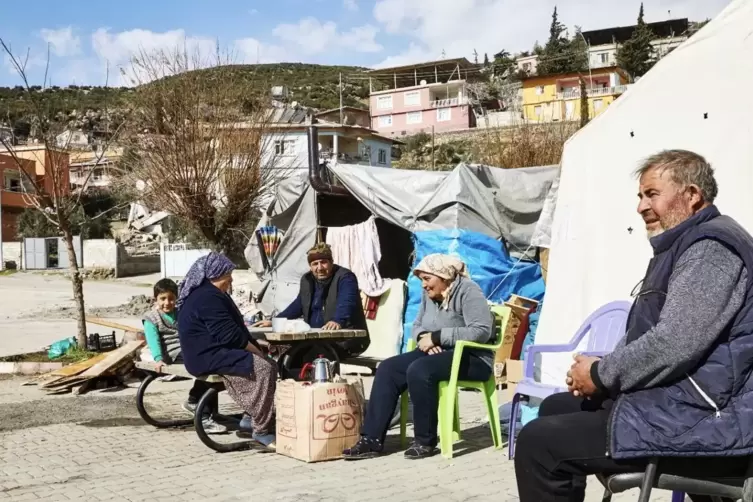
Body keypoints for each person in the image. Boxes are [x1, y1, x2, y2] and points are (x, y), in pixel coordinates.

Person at [514, 150, 753, 502]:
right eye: (640, 196)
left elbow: (674, 343)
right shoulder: (682, 244)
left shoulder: (710, 249)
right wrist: (596, 370)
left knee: (540, 444)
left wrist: (601, 374)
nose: (641, 207)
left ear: (691, 195)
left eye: (652, 194)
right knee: (555, 409)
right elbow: (652, 330)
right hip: (684, 402)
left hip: (710, 418)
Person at [342, 254, 494, 460]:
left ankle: (425, 441)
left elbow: (481, 330)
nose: (423, 285)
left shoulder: (468, 291)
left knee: (420, 370)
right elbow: (417, 325)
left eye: (427, 279)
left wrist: (438, 337)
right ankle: (371, 439)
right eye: (421, 280)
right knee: (388, 368)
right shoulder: (430, 295)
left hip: (472, 357)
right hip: (437, 352)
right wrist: (425, 337)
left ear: (443, 277)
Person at [177, 252, 277, 448]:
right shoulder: (207, 297)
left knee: (269, 364)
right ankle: (261, 430)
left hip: (213, 351)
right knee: (264, 368)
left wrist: (257, 346)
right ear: (215, 274)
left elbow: (235, 330)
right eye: (227, 275)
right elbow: (230, 336)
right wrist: (257, 352)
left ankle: (252, 417)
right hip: (205, 356)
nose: (231, 279)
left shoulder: (212, 294)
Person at [254, 242, 369, 359]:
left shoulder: (345, 277)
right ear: (310, 266)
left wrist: (337, 320)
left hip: (346, 340)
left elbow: (347, 301)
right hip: (315, 339)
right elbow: (299, 305)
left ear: (331, 262)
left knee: (303, 355)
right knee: (280, 350)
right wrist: (276, 320)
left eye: (323, 262)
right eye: (315, 264)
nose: (319, 268)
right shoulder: (307, 279)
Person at [142, 278, 227, 434]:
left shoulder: (181, 312)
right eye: (163, 299)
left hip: (188, 349)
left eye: (171, 298)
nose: (167, 302)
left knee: (216, 362)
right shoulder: (151, 318)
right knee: (207, 364)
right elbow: (152, 340)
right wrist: (158, 358)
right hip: (173, 353)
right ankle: (202, 414)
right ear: (156, 299)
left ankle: (197, 402)